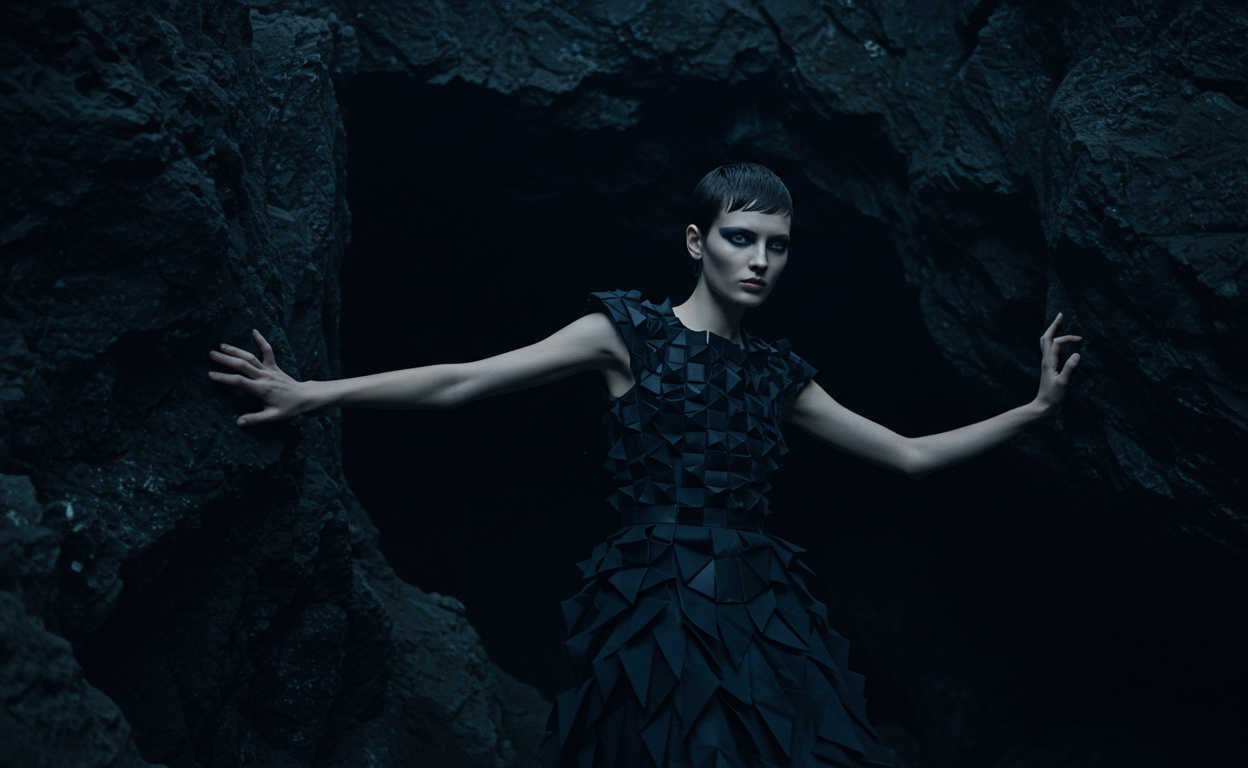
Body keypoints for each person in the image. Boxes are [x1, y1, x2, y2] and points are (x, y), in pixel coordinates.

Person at [208, 162, 1082, 767]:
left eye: (778, 245)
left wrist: (1034, 409)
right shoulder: (626, 333)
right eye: (741, 238)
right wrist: (310, 393)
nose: (760, 261)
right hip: (660, 597)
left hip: (763, 607)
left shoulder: (776, 373)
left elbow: (909, 455)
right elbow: (466, 380)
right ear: (697, 241)